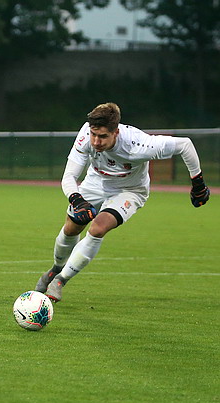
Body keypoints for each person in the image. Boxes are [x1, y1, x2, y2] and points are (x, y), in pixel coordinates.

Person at [35, 102, 211, 302]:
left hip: (129, 191)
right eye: (94, 134)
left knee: (98, 228)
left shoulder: (140, 144)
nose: (96, 141)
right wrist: (77, 199)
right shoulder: (86, 134)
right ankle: (56, 268)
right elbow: (69, 176)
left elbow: (185, 145)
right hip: (94, 183)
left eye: (103, 136)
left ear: (116, 132)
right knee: (71, 228)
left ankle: (60, 280)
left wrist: (198, 183)